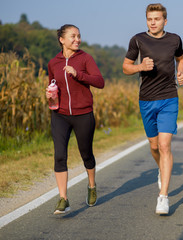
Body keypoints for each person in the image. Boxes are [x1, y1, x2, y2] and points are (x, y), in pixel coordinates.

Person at [123, 3, 183, 215]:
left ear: (165, 21)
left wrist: (180, 73)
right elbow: (126, 67)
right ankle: (161, 169)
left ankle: (163, 197)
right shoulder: (138, 40)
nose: (153, 22)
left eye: (157, 19)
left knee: (165, 145)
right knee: (154, 146)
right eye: (150, 19)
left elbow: (181, 58)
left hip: (169, 97)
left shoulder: (174, 39)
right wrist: (140, 67)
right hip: (146, 99)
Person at [46, 24, 105, 214]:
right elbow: (52, 84)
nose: (77, 40)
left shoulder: (85, 58)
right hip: (60, 114)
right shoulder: (53, 63)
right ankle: (63, 198)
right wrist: (49, 94)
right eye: (73, 36)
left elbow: (99, 82)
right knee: (60, 155)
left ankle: (92, 185)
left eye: (79, 36)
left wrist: (78, 74)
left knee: (86, 154)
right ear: (62, 40)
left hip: (83, 114)